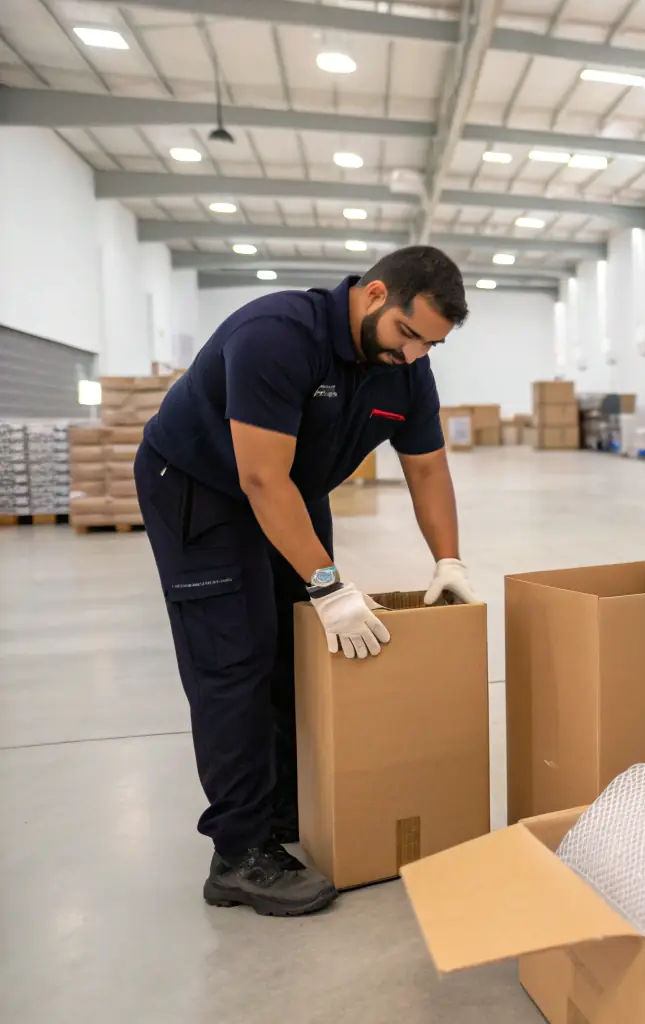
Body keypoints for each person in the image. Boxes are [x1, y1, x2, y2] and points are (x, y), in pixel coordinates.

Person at [135, 246, 480, 917]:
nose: (414, 356)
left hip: (294, 487)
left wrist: (449, 561)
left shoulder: (409, 368)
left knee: (297, 656)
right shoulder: (276, 335)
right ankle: (239, 853)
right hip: (203, 490)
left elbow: (429, 468)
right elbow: (258, 477)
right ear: (375, 294)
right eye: (409, 335)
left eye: (430, 345)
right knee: (235, 658)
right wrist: (327, 585)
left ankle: (287, 808)